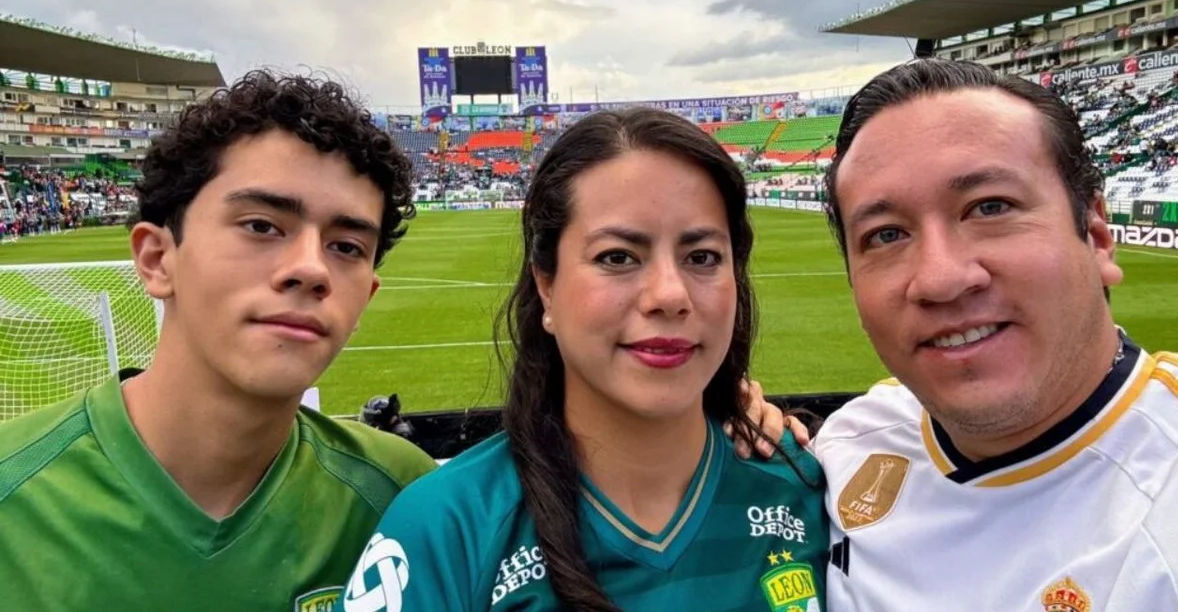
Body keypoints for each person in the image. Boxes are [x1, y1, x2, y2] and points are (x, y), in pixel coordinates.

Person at [338, 108, 830, 612]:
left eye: (702, 257)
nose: (669, 295)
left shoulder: (807, 489)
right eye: (617, 257)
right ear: (546, 286)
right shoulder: (444, 528)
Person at [0, 71, 439, 611]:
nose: (311, 269)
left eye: (347, 246)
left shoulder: (406, 501)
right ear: (157, 259)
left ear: (365, 298)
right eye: (261, 226)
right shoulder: (13, 496)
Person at [811, 59, 1178, 610]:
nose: (941, 279)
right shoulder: (845, 446)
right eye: (886, 235)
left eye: (990, 207)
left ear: (1095, 234)